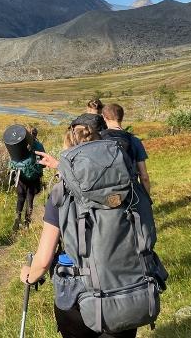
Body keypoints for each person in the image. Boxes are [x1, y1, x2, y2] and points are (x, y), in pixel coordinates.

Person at [25, 123, 139, 338]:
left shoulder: (61, 196)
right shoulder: (128, 188)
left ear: (69, 155)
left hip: (79, 295)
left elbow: (42, 261)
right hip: (128, 287)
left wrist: (29, 275)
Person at [100, 103, 150, 194]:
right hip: (131, 191)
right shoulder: (134, 140)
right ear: (122, 117)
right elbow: (144, 176)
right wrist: (147, 199)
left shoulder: (97, 140)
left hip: (104, 192)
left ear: (104, 117)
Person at [12, 126, 46, 230]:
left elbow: (13, 159)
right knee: (30, 199)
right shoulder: (39, 145)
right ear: (36, 135)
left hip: (21, 176)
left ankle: (17, 220)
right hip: (34, 177)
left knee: (20, 198)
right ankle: (27, 223)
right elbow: (44, 163)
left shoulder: (20, 144)